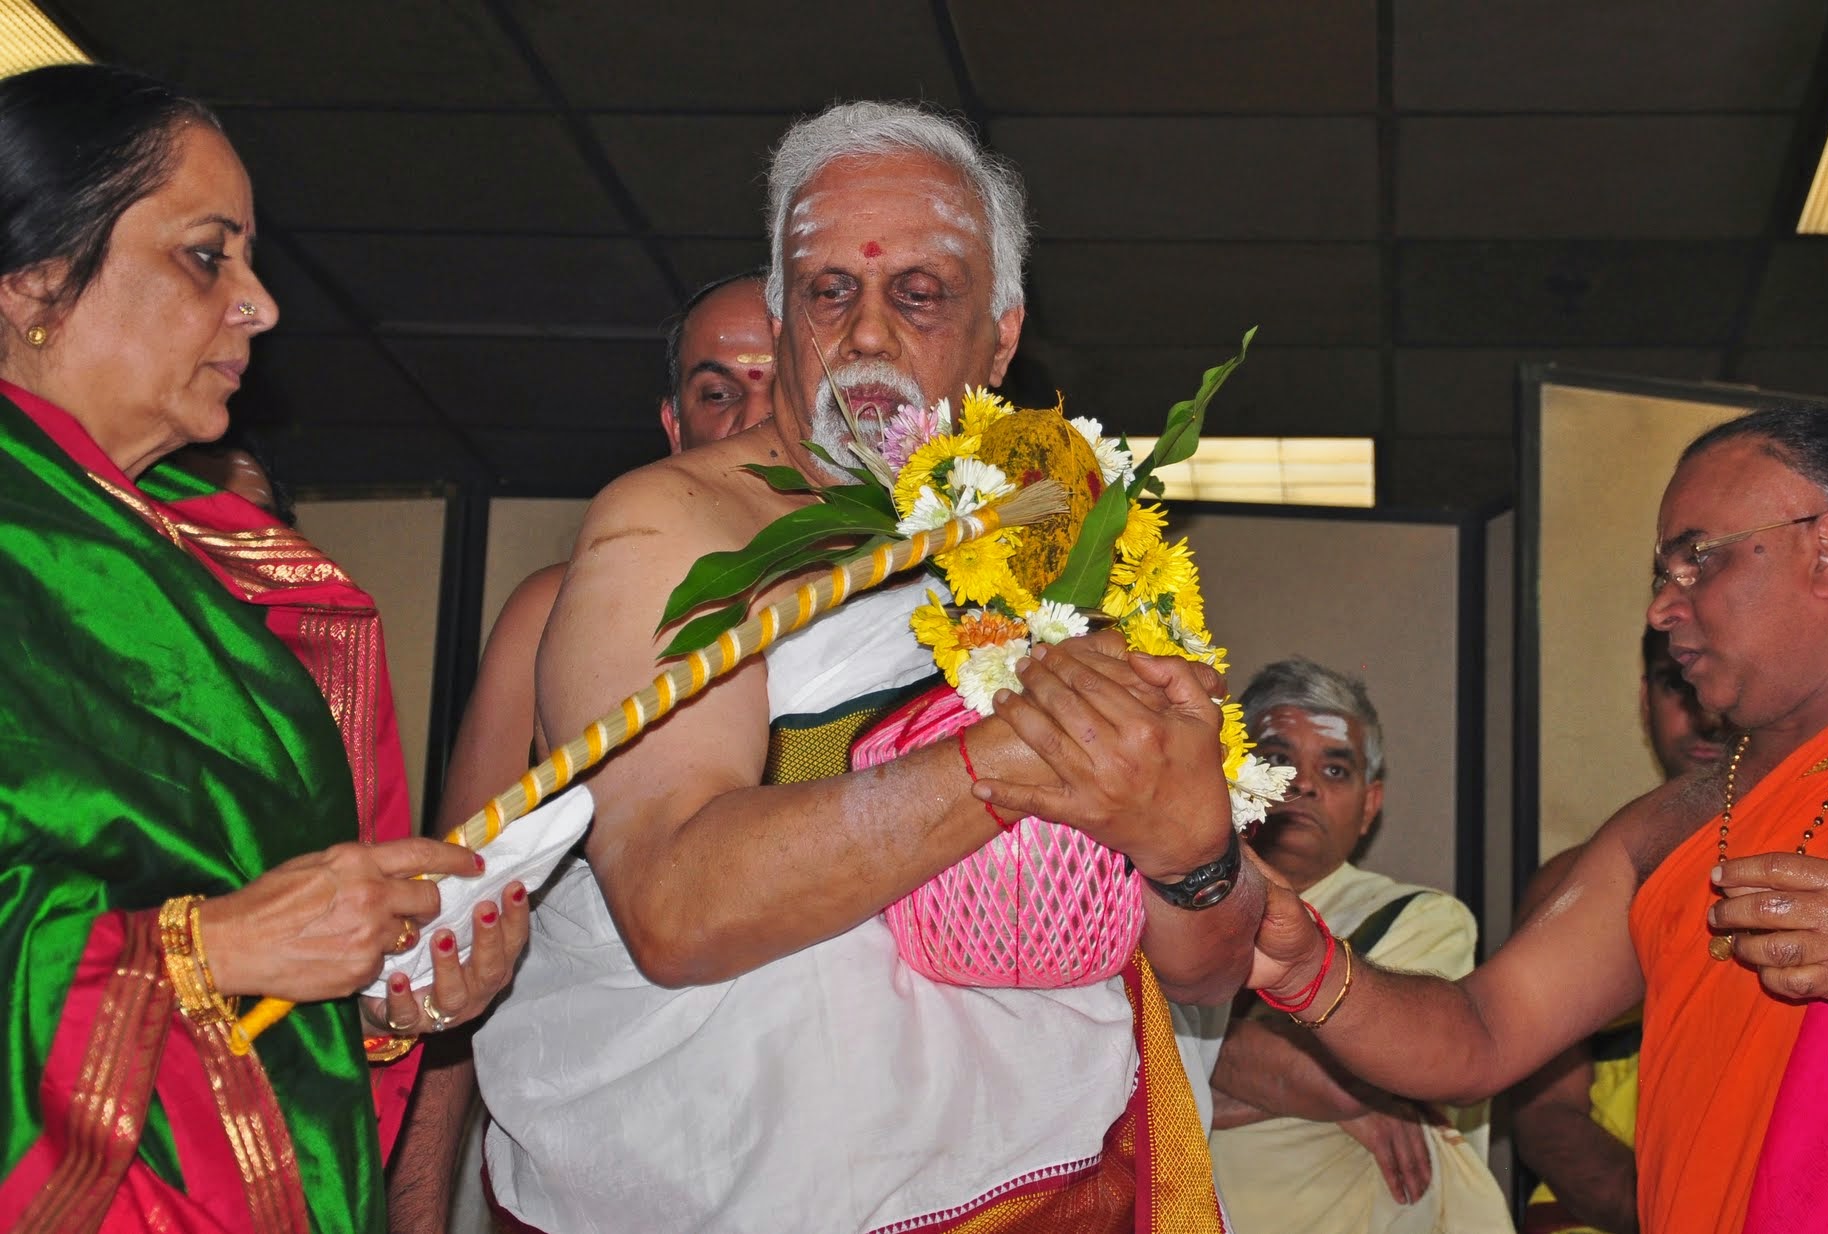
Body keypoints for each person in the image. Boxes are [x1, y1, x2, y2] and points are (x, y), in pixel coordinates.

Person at [471, 100, 1261, 1232]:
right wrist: (1006, 763)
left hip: (1048, 1175)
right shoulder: (674, 526)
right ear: (783, 316)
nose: (868, 334)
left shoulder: (1060, 529)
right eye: (829, 291)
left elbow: (1203, 967)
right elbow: (673, 907)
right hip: (732, 1184)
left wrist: (1192, 856)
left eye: (919, 293)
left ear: (1000, 338)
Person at [1221, 405, 1828, 1232]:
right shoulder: (1664, 830)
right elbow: (1481, 1033)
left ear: (1827, 550)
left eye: (1698, 560)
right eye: (1663, 574)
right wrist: (1309, 968)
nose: (1661, 608)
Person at [0, 64, 528, 1232]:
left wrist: (380, 991)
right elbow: (206, 932)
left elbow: (240, 951)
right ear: (36, 278)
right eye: (206, 256)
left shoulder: (240, 579)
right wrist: (211, 948)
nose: (261, 306)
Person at [384, 270, 778, 1232]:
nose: (751, 422)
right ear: (674, 427)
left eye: (781, 388)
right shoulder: (553, 614)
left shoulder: (918, 616)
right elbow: (448, 933)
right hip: (607, 1167)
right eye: (717, 392)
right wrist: (415, 1216)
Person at [1201, 658, 1512, 1233]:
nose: (1303, 784)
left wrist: (1180, 1056)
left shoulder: (1422, 918)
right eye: (1276, 759)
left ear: (1370, 805)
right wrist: (1305, 1086)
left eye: (1335, 769)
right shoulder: (1170, 909)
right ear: (1231, 772)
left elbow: (1349, 1082)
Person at [1510, 628, 1728, 1234]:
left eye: (1716, 678)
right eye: (1676, 682)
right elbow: (1545, 1117)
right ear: (1644, 699)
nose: (1704, 713)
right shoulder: (1570, 885)